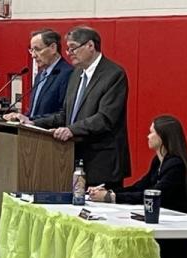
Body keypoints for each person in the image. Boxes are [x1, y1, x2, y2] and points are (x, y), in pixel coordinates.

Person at [88, 116, 187, 258]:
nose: (147, 135)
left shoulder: (175, 165)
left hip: (184, 235)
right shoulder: (158, 162)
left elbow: (151, 195)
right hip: (166, 226)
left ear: (163, 137)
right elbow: (140, 186)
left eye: (152, 132)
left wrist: (111, 197)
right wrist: (109, 190)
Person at [28, 26, 131, 188]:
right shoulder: (76, 74)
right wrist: (32, 122)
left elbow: (105, 118)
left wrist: (72, 130)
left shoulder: (114, 74)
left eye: (73, 48)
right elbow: (65, 115)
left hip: (102, 162)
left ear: (90, 46)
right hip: (73, 159)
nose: (69, 53)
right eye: (68, 49)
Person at [4, 29, 73, 121]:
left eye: (37, 49)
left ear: (53, 48)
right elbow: (34, 112)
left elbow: (64, 114)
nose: (33, 55)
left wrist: (32, 121)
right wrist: (19, 118)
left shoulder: (67, 73)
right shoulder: (40, 75)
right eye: (31, 50)